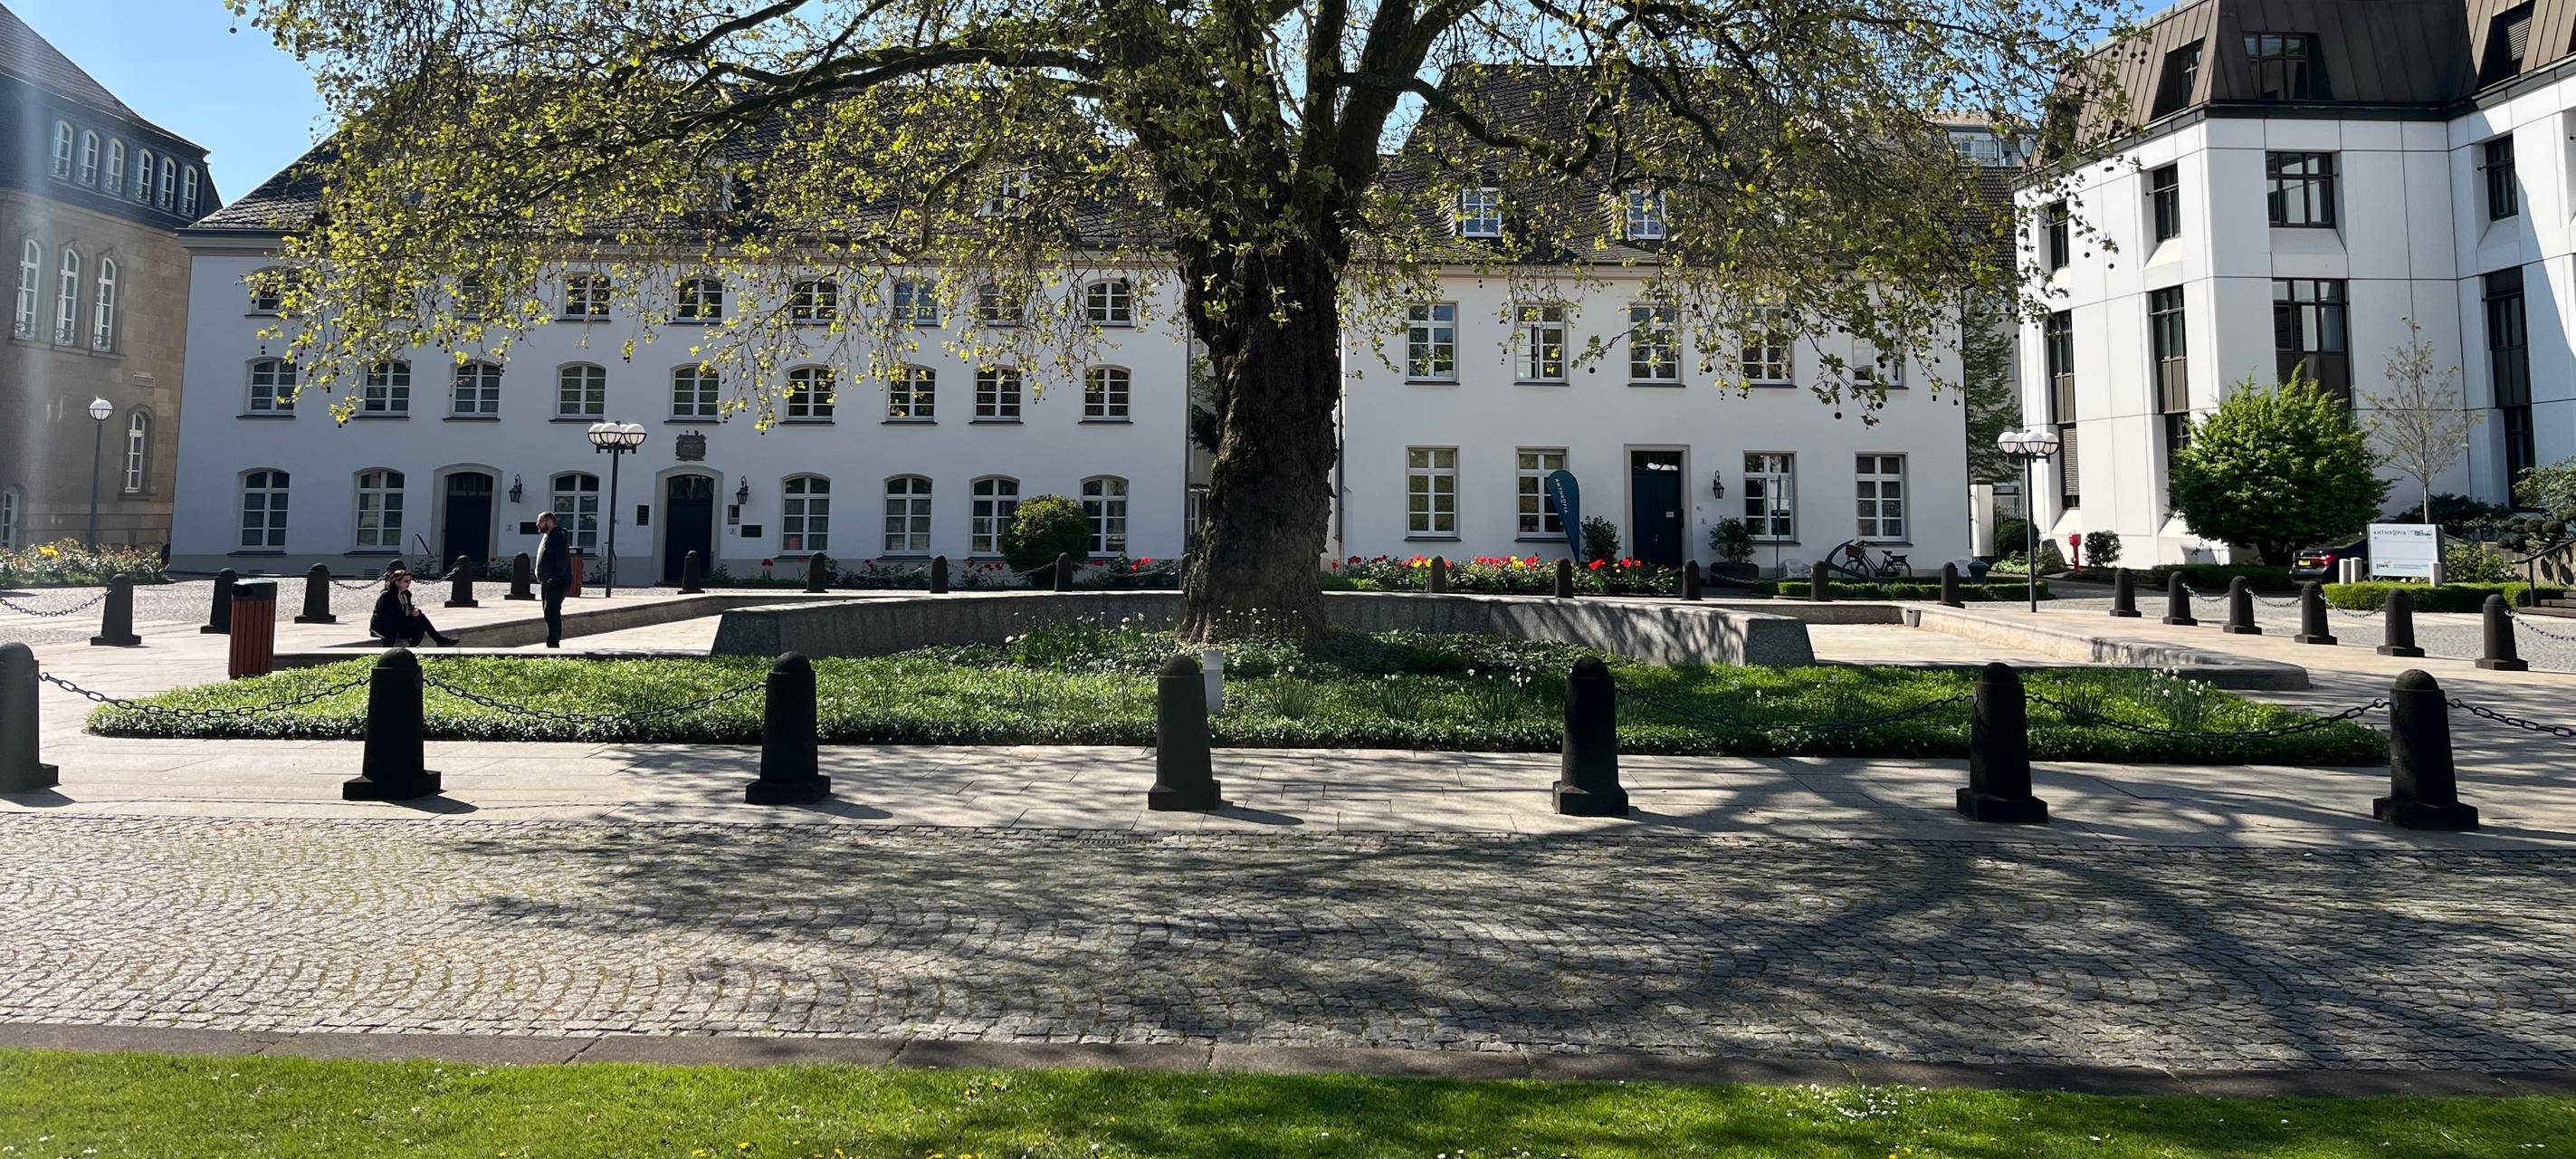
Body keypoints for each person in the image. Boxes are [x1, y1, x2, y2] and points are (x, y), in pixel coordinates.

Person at [369, 570, 458, 647]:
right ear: (397, 582)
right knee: (420, 620)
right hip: (386, 627)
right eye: (406, 581)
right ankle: (439, 640)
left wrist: (414, 611)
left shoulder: (406, 594)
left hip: (399, 623)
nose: (408, 584)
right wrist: (406, 613)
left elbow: (408, 608)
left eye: (410, 581)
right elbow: (386, 616)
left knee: (420, 621)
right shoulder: (387, 596)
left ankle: (413, 647)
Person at [536, 511, 571, 648]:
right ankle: (552, 641)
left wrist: (554, 577)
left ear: (550, 522)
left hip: (556, 581)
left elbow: (561, 559)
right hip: (549, 580)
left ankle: (553, 643)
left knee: (552, 611)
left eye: (541, 521)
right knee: (549, 611)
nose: (538, 524)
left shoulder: (557, 536)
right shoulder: (549, 536)